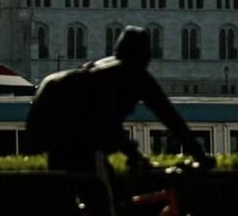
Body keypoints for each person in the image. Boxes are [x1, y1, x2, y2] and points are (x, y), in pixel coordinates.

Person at [26, 25, 214, 216]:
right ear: (144, 54)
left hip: (47, 126)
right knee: (106, 201)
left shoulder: (106, 68)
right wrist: (200, 157)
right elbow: (170, 118)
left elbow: (103, 121)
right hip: (68, 135)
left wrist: (132, 154)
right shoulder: (132, 73)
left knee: (95, 190)